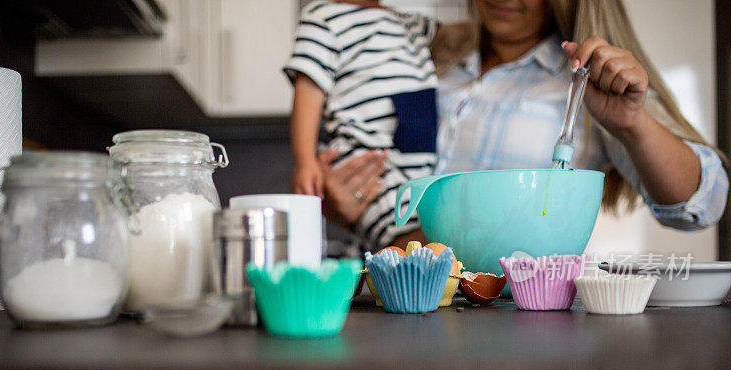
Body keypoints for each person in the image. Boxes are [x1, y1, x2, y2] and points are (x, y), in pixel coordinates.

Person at [321, 0, 729, 250]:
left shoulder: (588, 82)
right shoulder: (427, 62)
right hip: (401, 299)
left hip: (516, 317)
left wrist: (633, 123)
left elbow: (702, 206)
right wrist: (347, 207)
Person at [284, 0, 440, 248]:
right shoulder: (324, 18)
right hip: (364, 153)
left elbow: (461, 36)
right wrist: (305, 161)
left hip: (415, 159)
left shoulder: (411, 23)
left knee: (429, 221)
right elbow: (309, 89)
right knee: (412, 233)